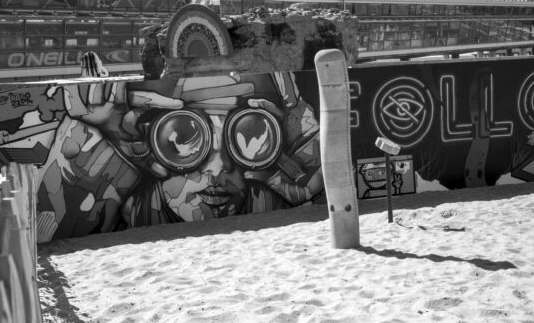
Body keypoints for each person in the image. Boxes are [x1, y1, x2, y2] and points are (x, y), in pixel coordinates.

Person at [36, 71, 324, 240]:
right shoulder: (127, 206)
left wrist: (304, 152)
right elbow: (47, 228)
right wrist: (89, 150)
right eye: (184, 137)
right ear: (150, 144)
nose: (217, 167)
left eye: (249, 137)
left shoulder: (271, 197)